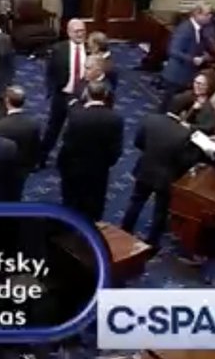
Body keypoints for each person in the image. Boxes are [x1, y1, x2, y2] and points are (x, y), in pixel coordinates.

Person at [121, 96, 200, 248]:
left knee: (136, 201)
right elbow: (185, 161)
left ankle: (125, 229)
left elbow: (138, 142)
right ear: (184, 113)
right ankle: (152, 243)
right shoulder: (184, 134)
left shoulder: (151, 119)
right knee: (160, 210)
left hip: (145, 168)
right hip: (167, 177)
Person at [58, 82, 123, 222]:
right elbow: (116, 150)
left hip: (74, 168)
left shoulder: (76, 116)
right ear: (105, 95)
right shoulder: (115, 119)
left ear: (86, 94)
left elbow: (67, 142)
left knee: (71, 202)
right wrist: (105, 163)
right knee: (95, 203)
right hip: (99, 170)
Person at [41, 18, 87, 161]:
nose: (80, 34)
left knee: (80, 130)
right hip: (63, 94)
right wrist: (51, 90)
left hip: (84, 97)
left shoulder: (92, 48)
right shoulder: (58, 49)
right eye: (76, 31)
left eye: (83, 31)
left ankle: (73, 159)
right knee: (53, 128)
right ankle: (41, 158)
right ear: (69, 32)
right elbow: (50, 72)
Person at [159, 2, 215, 112]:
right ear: (197, 14)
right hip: (177, 75)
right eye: (207, 14)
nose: (210, 17)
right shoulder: (185, 29)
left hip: (187, 74)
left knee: (177, 106)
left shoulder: (200, 28)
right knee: (167, 106)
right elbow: (173, 50)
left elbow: (205, 43)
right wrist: (192, 59)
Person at [0, 86, 42, 185]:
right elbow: (36, 149)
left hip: (3, 168)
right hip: (23, 168)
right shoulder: (33, 124)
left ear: (7, 101)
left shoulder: (1, 125)